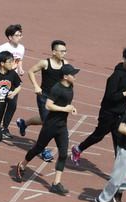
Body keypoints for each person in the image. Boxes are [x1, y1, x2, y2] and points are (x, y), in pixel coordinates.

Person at [15, 64, 80, 195]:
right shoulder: (57, 88)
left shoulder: (70, 86)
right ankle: (22, 165)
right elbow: (48, 106)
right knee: (38, 148)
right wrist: (65, 109)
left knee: (63, 154)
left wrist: (71, 108)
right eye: (73, 74)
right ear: (65, 77)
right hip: (50, 126)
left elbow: (64, 103)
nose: (75, 76)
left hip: (62, 127)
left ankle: (56, 183)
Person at [71, 46, 126, 164]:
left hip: (120, 112)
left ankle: (119, 167)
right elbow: (110, 96)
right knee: (98, 136)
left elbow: (123, 90)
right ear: (123, 58)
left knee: (119, 140)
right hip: (108, 112)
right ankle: (78, 149)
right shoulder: (116, 75)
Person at [16, 40, 69, 162]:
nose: (64, 53)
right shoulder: (45, 63)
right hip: (44, 96)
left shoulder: (65, 64)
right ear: (54, 52)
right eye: (62, 51)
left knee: (45, 119)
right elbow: (31, 71)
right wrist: (36, 86)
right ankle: (44, 150)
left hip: (57, 99)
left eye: (65, 51)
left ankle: (24, 123)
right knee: (48, 123)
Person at [0, 24, 25, 138]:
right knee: (1, 104)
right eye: (17, 35)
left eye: (20, 35)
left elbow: (19, 60)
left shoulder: (21, 48)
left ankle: (5, 128)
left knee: (12, 104)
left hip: (13, 78)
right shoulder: (2, 48)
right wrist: (2, 69)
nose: (19, 37)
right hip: (3, 79)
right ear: (10, 37)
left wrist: (20, 68)